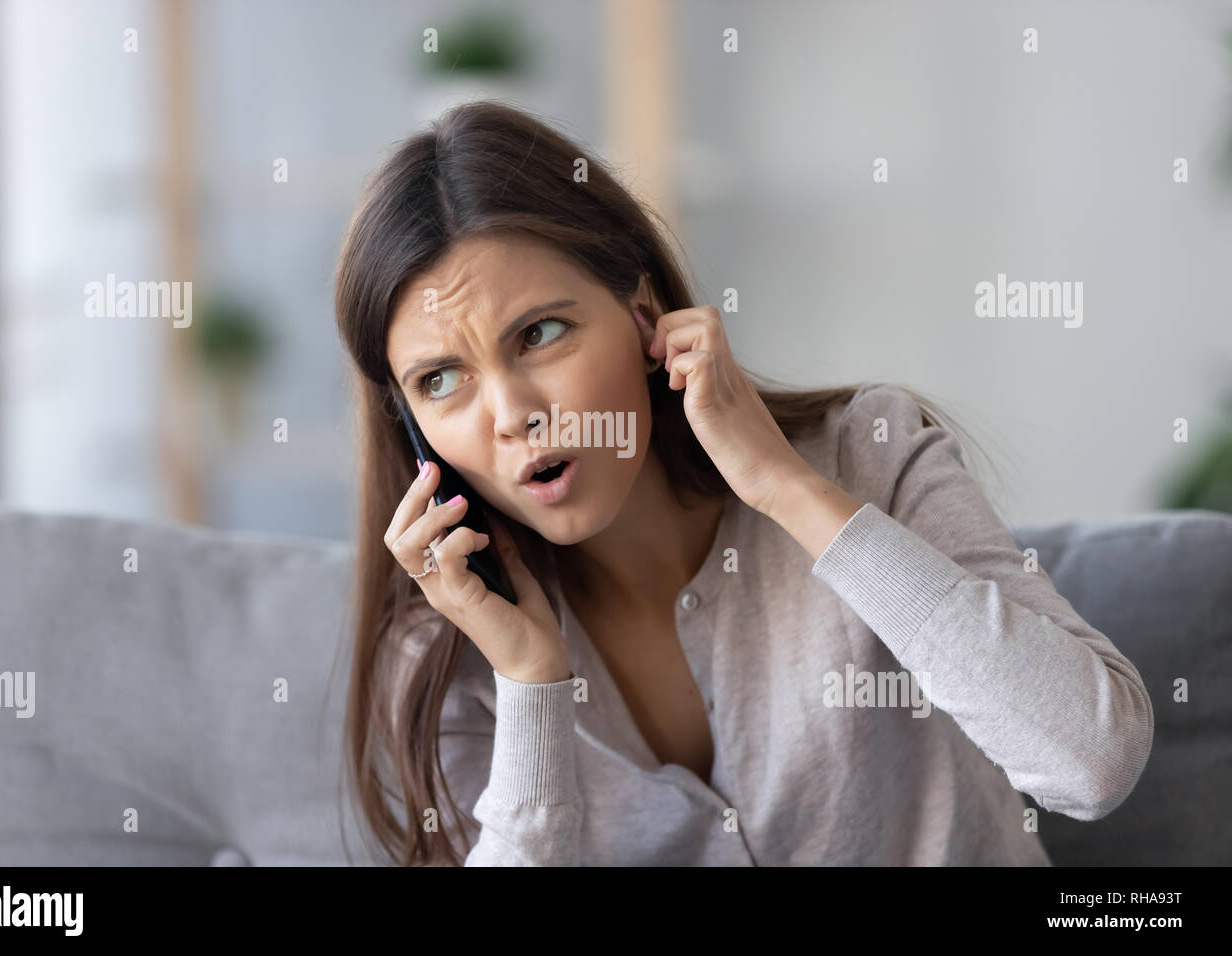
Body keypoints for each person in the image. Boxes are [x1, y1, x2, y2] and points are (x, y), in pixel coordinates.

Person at [332, 100, 1153, 866]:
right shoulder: (448, 650)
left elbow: (1093, 762)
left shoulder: (866, 454)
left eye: (541, 333)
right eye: (441, 380)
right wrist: (529, 682)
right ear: (409, 427)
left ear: (645, 316)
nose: (512, 414)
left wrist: (784, 487)